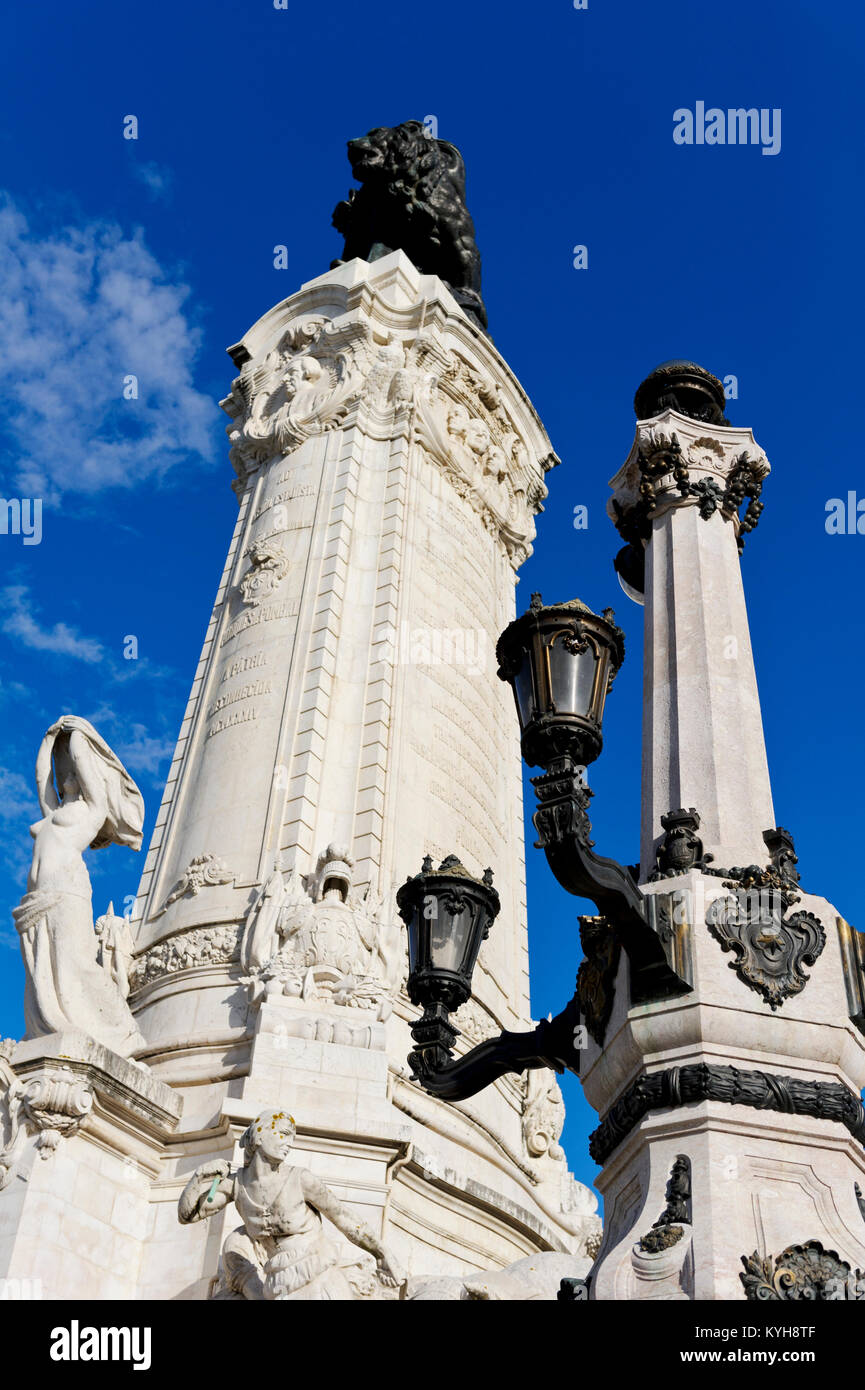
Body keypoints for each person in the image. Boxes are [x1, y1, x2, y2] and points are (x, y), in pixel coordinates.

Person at [13, 716, 146, 1057]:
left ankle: (122, 1033)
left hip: (69, 891)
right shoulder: (52, 811)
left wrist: (78, 735)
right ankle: (53, 1025)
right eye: (65, 771)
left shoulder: (90, 811)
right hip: (39, 898)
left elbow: (91, 780)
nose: (66, 774)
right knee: (45, 968)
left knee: (78, 963)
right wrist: (49, 737)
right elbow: (42, 777)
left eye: (73, 771)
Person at [178, 1109, 403, 1300]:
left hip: (319, 1275)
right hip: (279, 1283)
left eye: (292, 1138)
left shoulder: (300, 1179)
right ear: (259, 1135)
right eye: (283, 1134)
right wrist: (198, 1178)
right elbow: (188, 1215)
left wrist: (382, 1253)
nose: (289, 1144)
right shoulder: (236, 1184)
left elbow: (344, 1217)